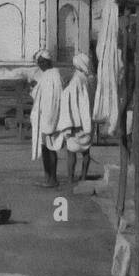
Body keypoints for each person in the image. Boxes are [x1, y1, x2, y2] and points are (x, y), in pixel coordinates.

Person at [57, 53, 95, 186]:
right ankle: (83, 177)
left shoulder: (76, 81)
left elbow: (73, 104)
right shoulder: (88, 79)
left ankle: (70, 179)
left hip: (76, 122)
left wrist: (73, 123)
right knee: (86, 151)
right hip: (87, 122)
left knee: (71, 152)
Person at [29, 50, 64, 188]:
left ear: (46, 62)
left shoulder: (52, 76)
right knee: (46, 148)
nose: (40, 66)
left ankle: (52, 179)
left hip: (49, 119)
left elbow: (52, 101)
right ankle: (47, 177)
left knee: (51, 148)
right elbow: (39, 94)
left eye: (41, 63)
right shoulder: (48, 75)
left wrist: (49, 124)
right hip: (45, 118)